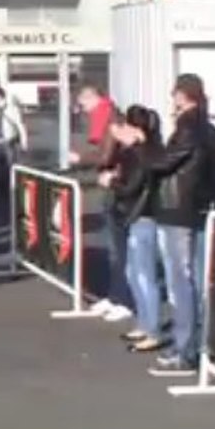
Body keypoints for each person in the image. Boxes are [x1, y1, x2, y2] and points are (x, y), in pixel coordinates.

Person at [124, 74, 215, 376]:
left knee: (181, 283)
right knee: (199, 282)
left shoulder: (189, 129)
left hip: (178, 212)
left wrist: (141, 145)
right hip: (200, 211)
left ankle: (186, 350)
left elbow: (162, 163)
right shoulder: (213, 133)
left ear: (182, 97)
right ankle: (203, 345)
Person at [100, 105, 166, 353]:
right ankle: (145, 323)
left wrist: (112, 181)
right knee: (133, 271)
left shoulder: (143, 154)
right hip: (134, 215)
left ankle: (153, 329)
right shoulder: (136, 152)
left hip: (142, 215)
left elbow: (132, 187)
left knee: (143, 273)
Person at [69, 82, 132, 320]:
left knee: (118, 246)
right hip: (108, 183)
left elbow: (106, 154)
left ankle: (123, 299)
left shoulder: (107, 117)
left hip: (115, 185)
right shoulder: (103, 116)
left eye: (83, 103)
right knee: (111, 244)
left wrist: (81, 157)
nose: (82, 109)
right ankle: (114, 295)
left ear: (91, 98)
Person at [0, 87, 28, 194]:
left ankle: (10, 187)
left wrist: (24, 141)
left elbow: (20, 125)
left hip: (7, 141)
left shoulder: (11, 108)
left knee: (9, 165)